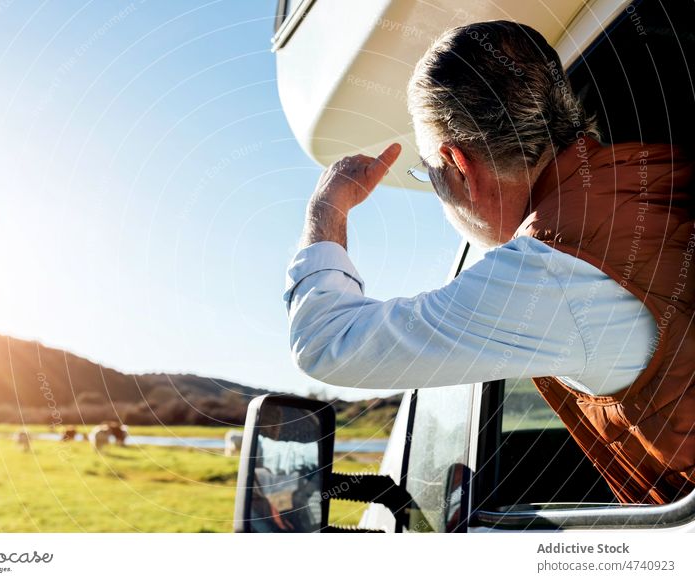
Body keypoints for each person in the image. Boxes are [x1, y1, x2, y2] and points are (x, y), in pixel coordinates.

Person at [283, 20, 694, 505]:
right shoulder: (655, 167)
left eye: (429, 174)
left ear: (459, 166)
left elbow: (328, 344)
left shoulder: (551, 270)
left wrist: (327, 211)